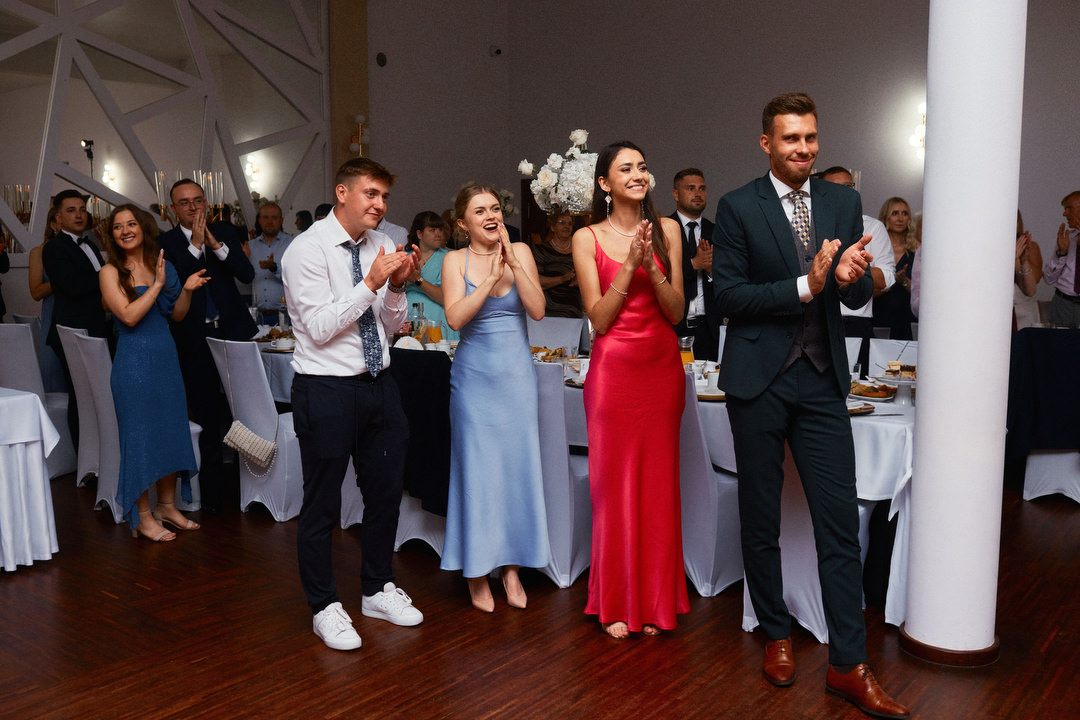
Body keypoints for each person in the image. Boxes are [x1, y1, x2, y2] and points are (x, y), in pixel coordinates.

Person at [713, 92, 908, 719]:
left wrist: (850, 278)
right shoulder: (737, 206)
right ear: (766, 143)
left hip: (822, 382)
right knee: (760, 516)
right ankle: (775, 633)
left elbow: (851, 297)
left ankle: (848, 664)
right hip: (758, 382)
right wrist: (807, 283)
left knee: (839, 521)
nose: (804, 148)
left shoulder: (843, 202)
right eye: (791, 138)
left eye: (811, 137)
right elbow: (729, 297)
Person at [281, 157, 424, 651]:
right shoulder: (306, 250)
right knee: (322, 502)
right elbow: (320, 328)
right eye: (371, 194)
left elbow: (390, 325)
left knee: (384, 493)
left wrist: (397, 286)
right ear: (342, 193)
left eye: (384, 196)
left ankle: (377, 588)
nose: (380, 205)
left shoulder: (380, 244)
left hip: (379, 384)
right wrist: (370, 284)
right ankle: (324, 606)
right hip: (326, 389)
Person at [571, 141, 688, 638]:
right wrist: (628, 264)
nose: (638, 174)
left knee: (659, 488)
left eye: (642, 166)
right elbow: (599, 319)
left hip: (661, 370)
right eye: (626, 168)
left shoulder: (668, 230)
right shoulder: (586, 237)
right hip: (613, 372)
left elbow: (677, 312)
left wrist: (652, 266)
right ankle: (616, 600)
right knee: (613, 488)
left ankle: (657, 601)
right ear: (605, 183)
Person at [439, 184, 549, 612]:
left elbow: (538, 310)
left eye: (496, 208)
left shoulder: (520, 251)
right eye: (480, 210)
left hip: (517, 381)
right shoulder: (455, 260)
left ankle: (512, 568)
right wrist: (487, 279)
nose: (491, 215)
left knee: (516, 472)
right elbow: (455, 318)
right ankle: (476, 570)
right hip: (474, 382)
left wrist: (513, 264)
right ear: (462, 223)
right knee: (478, 474)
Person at [99, 205, 208, 541]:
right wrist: (158, 285)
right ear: (112, 235)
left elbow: (177, 315)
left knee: (170, 431)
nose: (125, 230)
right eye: (118, 227)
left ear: (143, 228)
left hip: (165, 362)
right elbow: (129, 316)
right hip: (133, 366)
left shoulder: (163, 265)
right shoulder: (109, 272)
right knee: (141, 439)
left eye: (131, 223)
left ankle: (167, 506)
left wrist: (185, 289)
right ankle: (143, 517)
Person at [158, 178, 256, 514]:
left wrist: (214, 244)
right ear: (173, 209)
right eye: (184, 202)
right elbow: (178, 285)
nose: (192, 207)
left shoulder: (225, 232)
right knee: (205, 411)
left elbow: (246, 274)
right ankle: (214, 490)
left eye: (197, 200)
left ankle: (250, 479)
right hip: (193, 337)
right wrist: (196, 245)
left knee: (243, 408)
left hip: (232, 332)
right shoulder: (165, 243)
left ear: (206, 203)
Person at [43, 189, 110, 449]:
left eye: (82, 209)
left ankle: (100, 453)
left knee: (97, 395)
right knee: (81, 396)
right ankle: (84, 458)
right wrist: (109, 277)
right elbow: (72, 286)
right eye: (71, 210)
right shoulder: (54, 248)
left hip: (94, 328)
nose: (79, 215)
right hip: (72, 332)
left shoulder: (89, 244)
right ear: (58, 217)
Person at [816, 166, 895, 372]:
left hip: (857, 322)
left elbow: (887, 277)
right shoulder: (811, 226)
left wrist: (853, 271)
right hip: (817, 320)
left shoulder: (873, 227)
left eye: (849, 186)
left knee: (860, 385)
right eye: (835, 187)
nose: (844, 193)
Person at [669, 168, 721, 360]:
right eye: (690, 188)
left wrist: (710, 271)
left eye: (702, 188)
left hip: (709, 329)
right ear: (676, 194)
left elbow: (729, 279)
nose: (698, 194)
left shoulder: (716, 231)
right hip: (674, 327)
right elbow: (659, 275)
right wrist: (693, 264)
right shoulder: (664, 228)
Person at [28, 212, 67, 392]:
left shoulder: (83, 250)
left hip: (79, 316)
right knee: (54, 378)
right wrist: (62, 278)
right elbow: (36, 292)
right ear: (52, 224)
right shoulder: (39, 252)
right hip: (52, 316)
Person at [405, 210, 457, 341]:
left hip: (438, 322)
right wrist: (405, 281)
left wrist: (418, 280)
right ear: (419, 234)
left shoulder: (449, 258)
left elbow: (447, 298)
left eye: (440, 229)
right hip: (408, 320)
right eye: (432, 230)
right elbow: (390, 293)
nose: (438, 234)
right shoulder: (404, 257)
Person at [873, 197, 917, 339]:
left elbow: (923, 292)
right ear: (885, 218)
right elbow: (866, 286)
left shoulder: (916, 249)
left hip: (907, 319)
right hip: (879, 315)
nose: (900, 218)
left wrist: (904, 281)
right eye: (894, 213)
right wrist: (888, 283)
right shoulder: (876, 248)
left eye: (904, 213)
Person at [247, 202, 293, 325]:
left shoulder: (292, 244)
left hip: (286, 316)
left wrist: (274, 268)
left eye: (274, 218)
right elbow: (243, 280)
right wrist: (242, 261)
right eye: (265, 217)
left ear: (281, 220)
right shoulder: (250, 247)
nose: (269, 221)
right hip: (258, 317)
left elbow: (297, 278)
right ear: (259, 221)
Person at [531, 211, 582, 318]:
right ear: (552, 227)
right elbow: (534, 281)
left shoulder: (580, 250)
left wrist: (580, 280)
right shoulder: (541, 250)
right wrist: (562, 279)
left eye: (570, 224)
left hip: (573, 311)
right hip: (548, 311)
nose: (567, 226)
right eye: (562, 222)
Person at [1042, 190, 1080, 328]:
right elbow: (1048, 279)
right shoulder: (1067, 238)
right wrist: (1062, 254)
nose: (1065, 214)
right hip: (1062, 304)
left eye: (1069, 208)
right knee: (1059, 341)